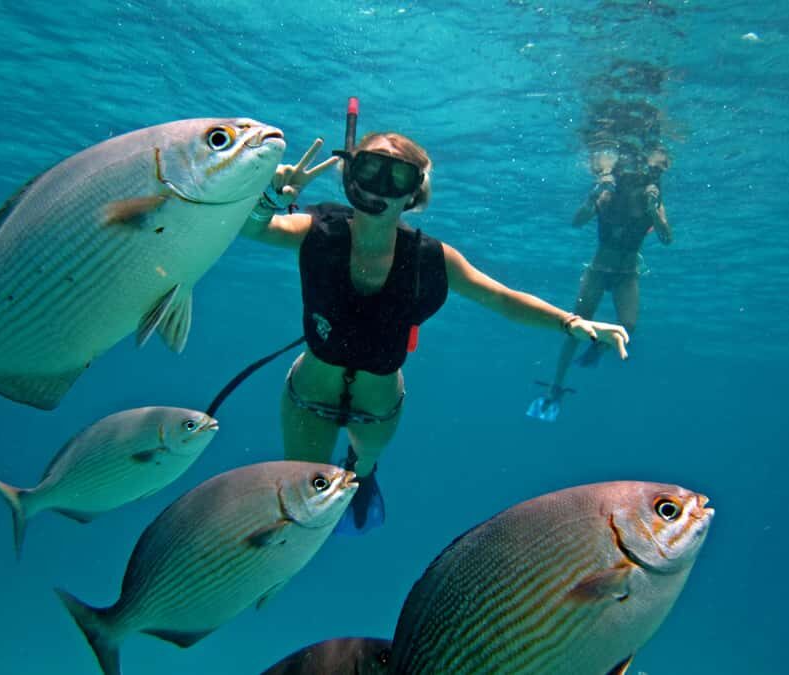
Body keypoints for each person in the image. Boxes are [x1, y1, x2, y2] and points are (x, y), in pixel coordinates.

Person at [240, 131, 630, 533]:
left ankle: (362, 473)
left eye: (397, 177)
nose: (380, 187)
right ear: (350, 175)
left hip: (377, 411)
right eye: (369, 169)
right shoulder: (317, 230)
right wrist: (268, 198)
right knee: (299, 495)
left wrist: (570, 322)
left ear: (414, 193)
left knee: (361, 470)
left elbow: (501, 298)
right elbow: (256, 229)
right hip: (307, 399)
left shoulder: (430, 258)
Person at [528, 143, 672, 422]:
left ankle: (598, 347)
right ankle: (556, 384)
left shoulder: (651, 200)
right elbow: (577, 221)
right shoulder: (608, 196)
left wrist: (654, 211)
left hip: (627, 273)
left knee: (628, 325)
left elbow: (667, 238)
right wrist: (594, 195)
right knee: (575, 325)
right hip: (598, 270)